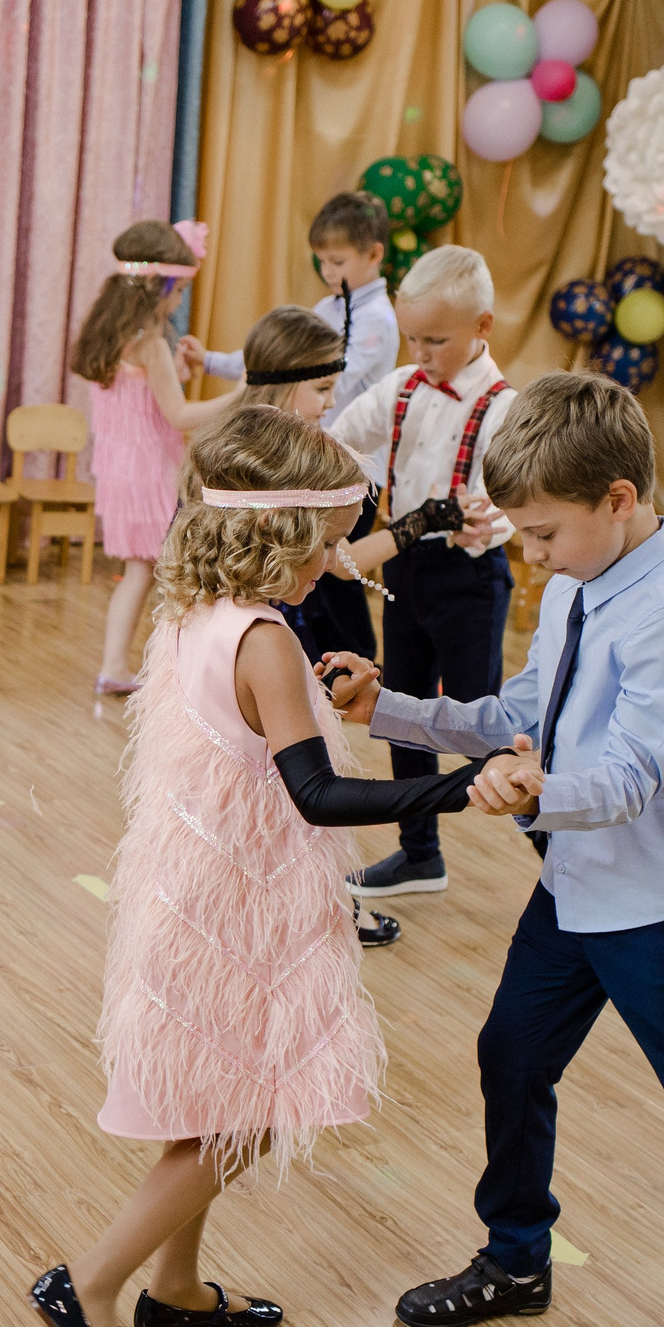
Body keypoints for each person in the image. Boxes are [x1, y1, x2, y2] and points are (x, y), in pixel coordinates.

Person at [324, 373, 664, 1327]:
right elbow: (519, 710)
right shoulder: (580, 580)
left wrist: (528, 794)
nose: (530, 556)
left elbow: (625, 780)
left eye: (542, 533)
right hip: (580, 877)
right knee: (512, 1055)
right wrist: (386, 707)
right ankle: (516, 1257)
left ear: (618, 498)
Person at [27, 405, 489, 1327]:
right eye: (324, 544)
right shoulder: (267, 640)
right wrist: (461, 786)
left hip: (194, 893)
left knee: (213, 1099)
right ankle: (91, 1281)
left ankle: (177, 1288)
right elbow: (317, 794)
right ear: (278, 533)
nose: (334, 564)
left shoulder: (198, 614)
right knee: (248, 1112)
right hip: (242, 915)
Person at [326, 244, 519, 901]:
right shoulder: (402, 387)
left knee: (480, 728)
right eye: (413, 338)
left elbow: (512, 499)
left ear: (482, 327)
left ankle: (561, 851)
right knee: (402, 713)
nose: (421, 352)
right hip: (406, 570)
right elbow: (340, 440)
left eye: (436, 340)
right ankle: (419, 854)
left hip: (470, 581)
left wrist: (490, 522)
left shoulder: (503, 407)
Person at [227, 302, 403, 952]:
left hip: (283, 625)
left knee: (288, 773)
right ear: (285, 382)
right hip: (281, 625)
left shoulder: (238, 442)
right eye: (323, 389)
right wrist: (413, 531)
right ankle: (321, 904)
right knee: (300, 777)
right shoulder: (273, 465)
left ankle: (320, 897)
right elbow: (339, 563)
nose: (331, 403)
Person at [202, 191, 400, 666]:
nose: (328, 272)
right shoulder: (328, 307)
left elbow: (323, 375)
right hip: (305, 468)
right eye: (322, 262)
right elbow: (272, 361)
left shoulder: (377, 320)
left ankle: (352, 662)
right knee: (307, 582)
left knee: (332, 581)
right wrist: (209, 361)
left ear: (374, 254)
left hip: (345, 473)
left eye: (337, 261)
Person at [70, 220, 240, 695]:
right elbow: (179, 414)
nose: (180, 301)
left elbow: (145, 397)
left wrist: (179, 369)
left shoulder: (111, 333)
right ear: (156, 285)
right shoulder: (149, 340)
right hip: (152, 471)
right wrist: (241, 396)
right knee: (173, 572)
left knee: (140, 571)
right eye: (179, 290)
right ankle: (181, 671)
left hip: (121, 469)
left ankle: (115, 665)